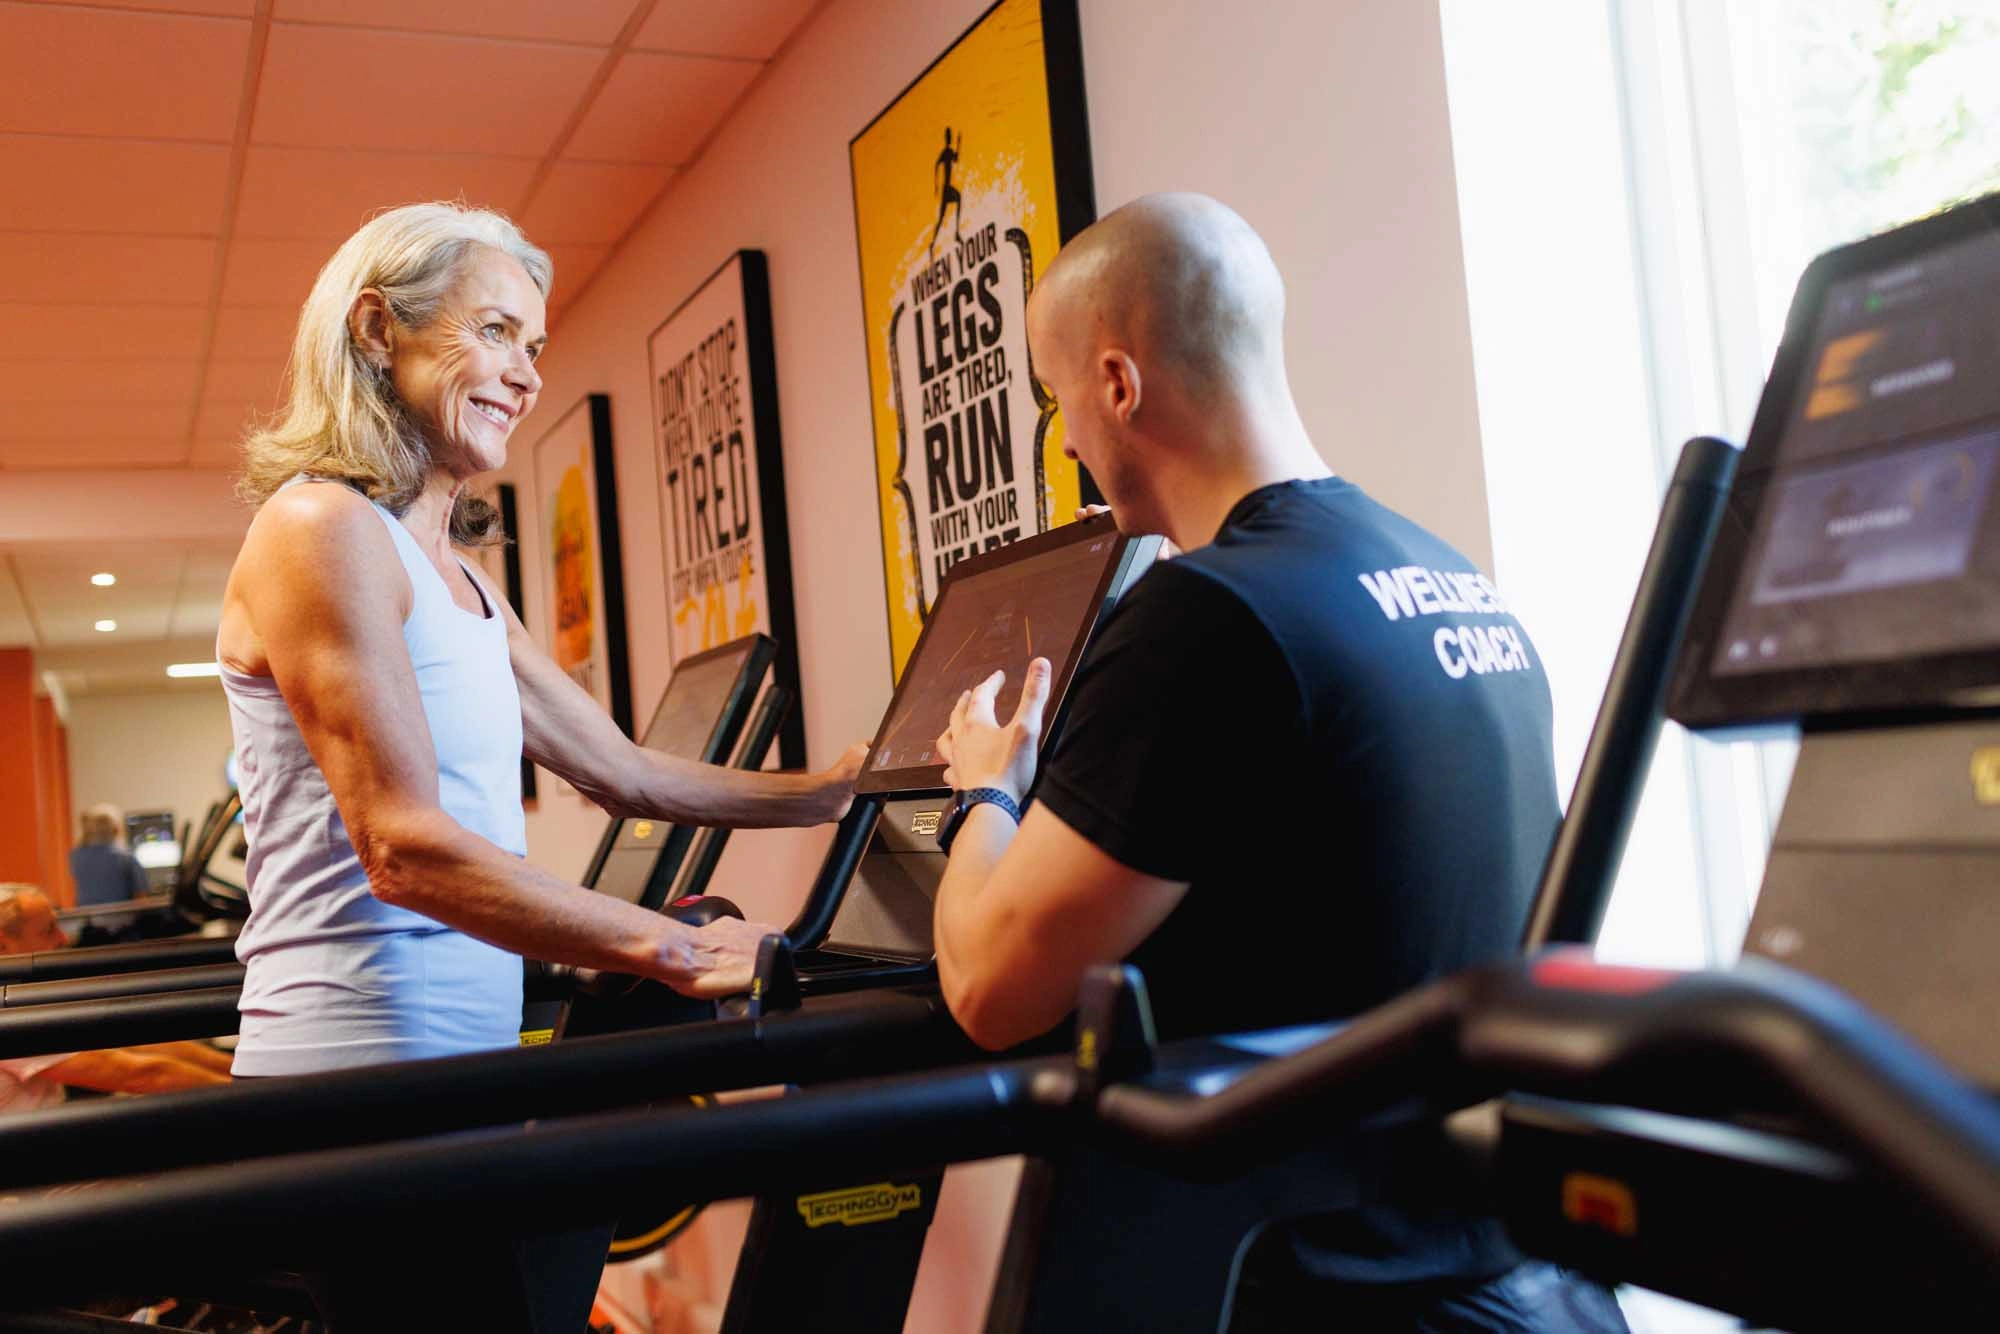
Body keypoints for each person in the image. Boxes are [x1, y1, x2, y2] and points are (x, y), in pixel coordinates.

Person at [930, 194, 1625, 1331]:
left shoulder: (1202, 613)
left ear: (1116, 383)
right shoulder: (1450, 576)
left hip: (1322, 1285)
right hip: (1504, 1263)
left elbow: (990, 991)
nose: (1064, 440)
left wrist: (987, 791)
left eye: (1060, 400)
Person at [217, 201, 865, 1327]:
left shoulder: (455, 572)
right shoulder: (316, 528)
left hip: (449, 1071)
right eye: (498, 332)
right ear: (379, 330)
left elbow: (623, 770)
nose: (525, 373)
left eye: (536, 346)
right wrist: (672, 947)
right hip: (355, 1081)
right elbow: (401, 845)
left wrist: (843, 786)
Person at [0, 884, 231, 1116]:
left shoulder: (25, 994)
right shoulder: (10, 1014)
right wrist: (257, 1093)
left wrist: (240, 1069)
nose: (64, 938)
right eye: (49, 930)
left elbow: (135, 1039)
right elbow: (141, 1075)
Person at [67, 804, 150, 908]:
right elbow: (141, 896)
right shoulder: (126, 857)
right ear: (116, 829)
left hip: (87, 919)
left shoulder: (75, 857)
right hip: (121, 918)